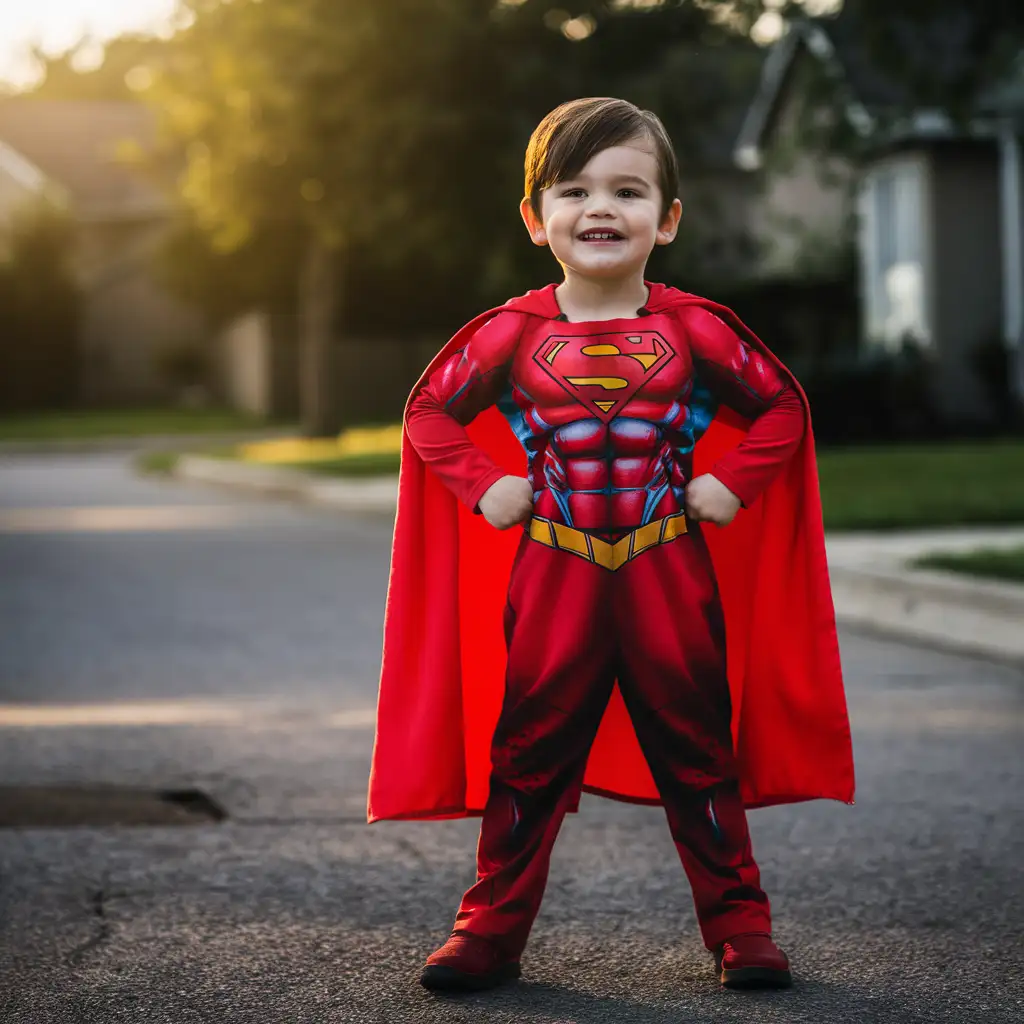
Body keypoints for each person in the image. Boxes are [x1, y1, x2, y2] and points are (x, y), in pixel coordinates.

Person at [368, 97, 854, 994]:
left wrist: (732, 480)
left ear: (667, 219)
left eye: (628, 191)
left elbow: (783, 406)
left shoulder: (695, 329)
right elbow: (429, 411)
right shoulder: (508, 335)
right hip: (553, 569)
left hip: (667, 564)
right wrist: (485, 484)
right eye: (574, 189)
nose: (600, 208)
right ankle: (488, 929)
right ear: (535, 218)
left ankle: (741, 927)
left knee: (699, 750)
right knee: (528, 755)